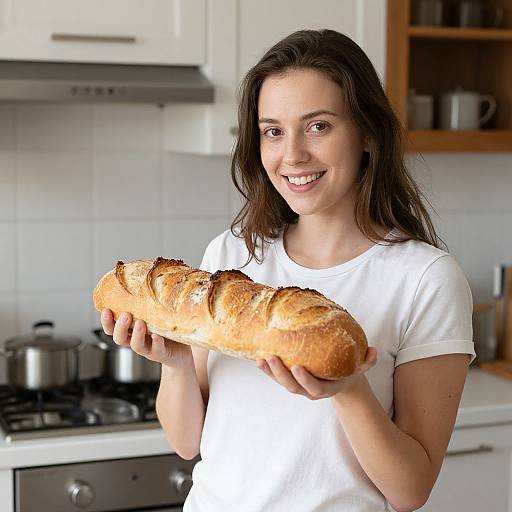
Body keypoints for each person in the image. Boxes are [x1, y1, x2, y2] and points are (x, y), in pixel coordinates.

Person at [100, 29, 475, 511]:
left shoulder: (426, 278)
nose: (292, 155)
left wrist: (350, 391)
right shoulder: (235, 255)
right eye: (273, 130)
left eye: (318, 126)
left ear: (366, 132)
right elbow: (187, 442)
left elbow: (410, 491)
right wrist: (174, 363)